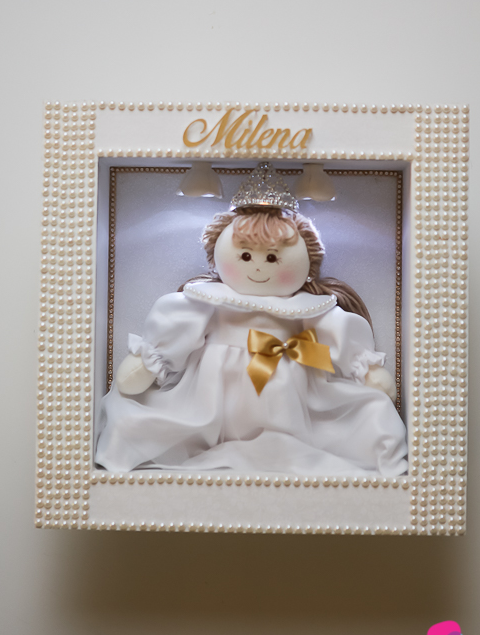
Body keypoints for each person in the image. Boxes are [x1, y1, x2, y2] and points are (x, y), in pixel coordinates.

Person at [95, 163, 408, 476]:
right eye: (245, 255)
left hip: (292, 401)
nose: (258, 266)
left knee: (370, 416)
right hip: (211, 403)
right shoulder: (208, 301)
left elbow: (338, 334)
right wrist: (148, 363)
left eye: (272, 257)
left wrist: (367, 371)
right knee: (138, 421)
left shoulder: (309, 308)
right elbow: (176, 332)